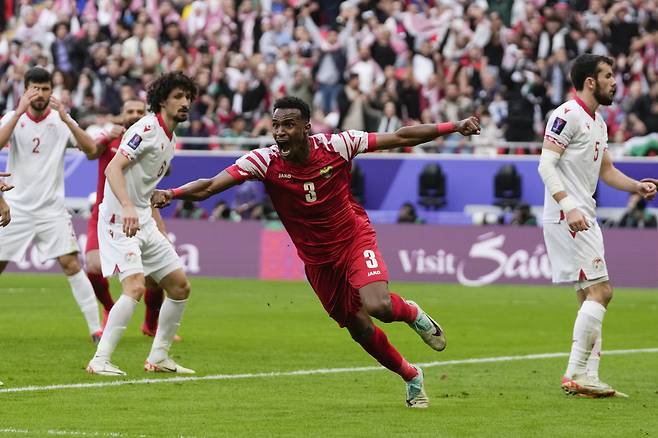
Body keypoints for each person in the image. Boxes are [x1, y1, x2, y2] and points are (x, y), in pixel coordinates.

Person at [152, 96, 480, 407]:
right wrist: (173, 192)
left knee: (378, 305)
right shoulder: (264, 161)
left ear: (307, 127)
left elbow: (398, 136)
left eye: (289, 124)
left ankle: (411, 313)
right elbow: (210, 185)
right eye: (276, 125)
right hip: (318, 262)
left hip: (353, 239)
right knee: (360, 328)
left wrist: (454, 126)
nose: (281, 132)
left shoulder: (337, 146)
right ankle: (411, 376)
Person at [538, 54, 656, 398]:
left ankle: (590, 376)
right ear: (590, 81)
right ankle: (576, 373)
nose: (614, 82)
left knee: (589, 296)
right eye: (608, 75)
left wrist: (636, 186)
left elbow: (605, 171)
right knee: (602, 292)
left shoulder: (598, 122)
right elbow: (545, 166)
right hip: (570, 215)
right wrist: (569, 206)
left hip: (580, 213)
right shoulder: (566, 115)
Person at [86, 72, 198, 376]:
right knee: (134, 287)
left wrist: (151, 206)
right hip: (119, 220)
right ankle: (100, 360)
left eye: (188, 97)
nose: (185, 103)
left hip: (143, 219)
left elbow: (143, 184)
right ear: (162, 100)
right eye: (178, 97)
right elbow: (113, 168)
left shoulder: (170, 137)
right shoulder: (147, 128)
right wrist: (126, 207)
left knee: (179, 287)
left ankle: (159, 357)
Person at [0, 67, 102, 342]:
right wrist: (19, 112)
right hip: (16, 206)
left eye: (45, 89)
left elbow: (92, 151)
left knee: (71, 263)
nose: (41, 94)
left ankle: (96, 328)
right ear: (25, 90)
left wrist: (68, 120)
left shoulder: (60, 119)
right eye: (35, 88)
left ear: (51, 91)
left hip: (51, 209)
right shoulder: (14, 117)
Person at [85, 98, 181, 340]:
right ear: (122, 114)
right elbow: (90, 152)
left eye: (140, 111)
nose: (135, 114)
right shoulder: (112, 139)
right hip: (107, 212)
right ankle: (109, 306)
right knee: (93, 267)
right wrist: (106, 135)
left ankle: (150, 322)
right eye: (130, 111)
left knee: (158, 276)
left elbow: (160, 173)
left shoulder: (152, 136)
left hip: (144, 209)